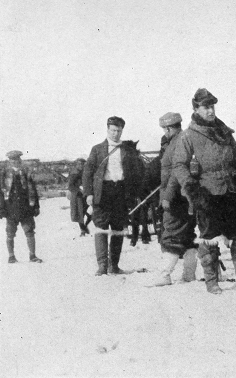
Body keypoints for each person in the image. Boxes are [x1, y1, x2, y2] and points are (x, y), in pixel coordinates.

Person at [171, 88, 236, 294]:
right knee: (210, 238)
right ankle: (212, 282)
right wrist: (192, 188)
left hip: (231, 190)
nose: (211, 111)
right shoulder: (188, 136)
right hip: (207, 193)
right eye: (206, 107)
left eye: (212, 106)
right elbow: (178, 165)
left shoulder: (225, 132)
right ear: (196, 109)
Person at [83, 116, 143, 276]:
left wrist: (135, 194)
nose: (115, 134)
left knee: (118, 229)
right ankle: (102, 266)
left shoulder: (127, 150)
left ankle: (114, 266)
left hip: (121, 192)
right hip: (103, 192)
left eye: (118, 131)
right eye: (113, 130)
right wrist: (88, 193)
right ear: (108, 130)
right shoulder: (97, 149)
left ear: (122, 131)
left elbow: (135, 174)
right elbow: (87, 173)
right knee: (101, 228)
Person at [153, 112, 198, 286]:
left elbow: (175, 173)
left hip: (176, 197)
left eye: (165, 129)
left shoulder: (178, 142)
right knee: (187, 236)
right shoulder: (182, 140)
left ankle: (165, 275)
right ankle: (189, 274)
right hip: (185, 196)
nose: (164, 132)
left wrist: (167, 197)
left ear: (169, 128)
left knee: (171, 234)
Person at [0, 150, 42, 263]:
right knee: (10, 233)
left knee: (30, 232)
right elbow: (1, 193)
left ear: (20, 159)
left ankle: (32, 256)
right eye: (12, 159)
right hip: (10, 208)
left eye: (17, 159)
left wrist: (36, 206)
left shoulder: (26, 173)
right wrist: (1, 208)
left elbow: (33, 190)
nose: (15, 161)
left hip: (26, 208)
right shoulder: (4, 174)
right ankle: (11, 256)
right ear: (9, 161)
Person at [68, 158, 91, 236]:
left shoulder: (86, 172)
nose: (81, 165)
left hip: (86, 195)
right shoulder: (73, 173)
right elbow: (70, 186)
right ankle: (83, 230)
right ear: (76, 165)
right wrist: (79, 190)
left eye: (83, 164)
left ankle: (85, 226)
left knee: (88, 212)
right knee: (80, 213)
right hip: (78, 197)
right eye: (79, 164)